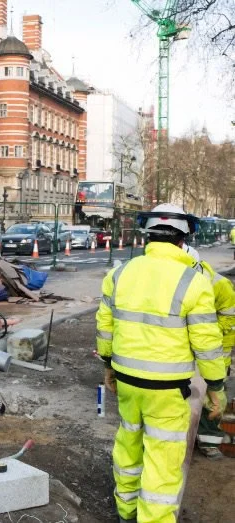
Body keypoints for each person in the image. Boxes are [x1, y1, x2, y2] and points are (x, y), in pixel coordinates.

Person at [96, 203, 227, 523]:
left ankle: (125, 508)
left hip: (128, 381)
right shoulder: (194, 282)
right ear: (184, 240)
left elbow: (105, 327)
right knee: (162, 457)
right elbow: (207, 344)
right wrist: (216, 386)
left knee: (129, 439)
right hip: (168, 390)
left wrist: (108, 368)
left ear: (148, 237)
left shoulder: (120, 273)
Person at [183, 244, 235, 459]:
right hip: (183, 350)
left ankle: (209, 439)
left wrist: (207, 335)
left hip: (214, 349)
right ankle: (184, 436)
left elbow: (230, 320)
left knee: (213, 396)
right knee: (185, 394)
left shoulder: (219, 285)